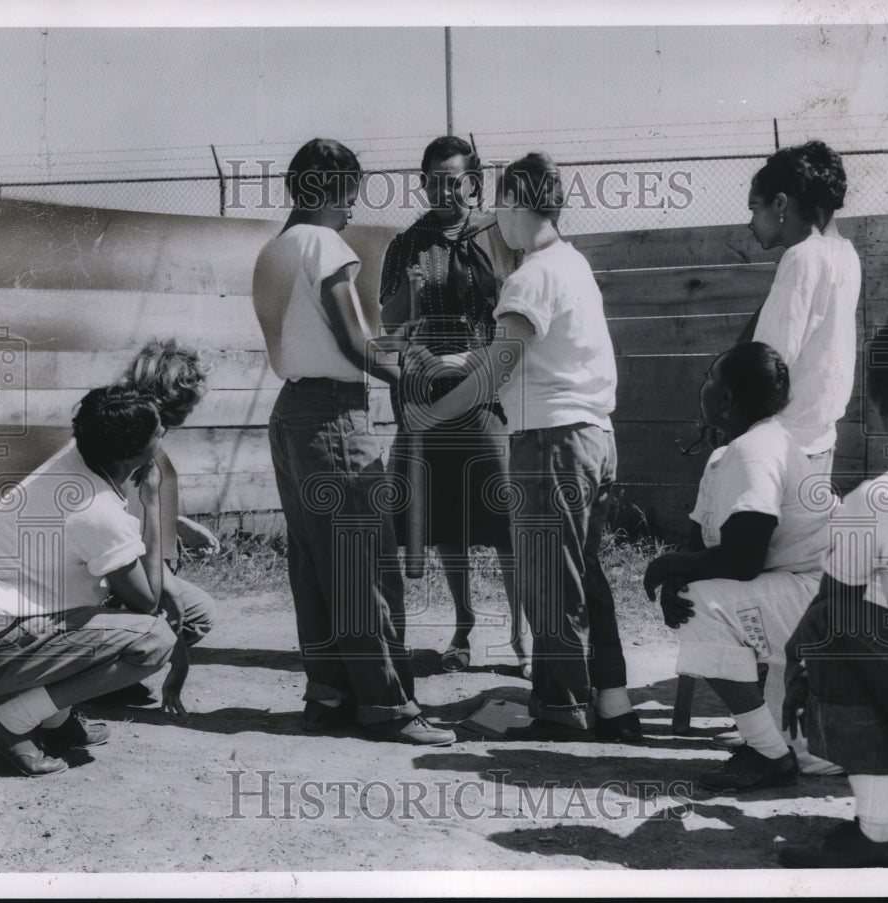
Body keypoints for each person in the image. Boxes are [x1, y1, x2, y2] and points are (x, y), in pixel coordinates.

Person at [404, 152, 640, 743]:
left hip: (552, 443)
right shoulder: (571, 264)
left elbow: (492, 377)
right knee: (583, 575)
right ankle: (612, 703)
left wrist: (430, 409)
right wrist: (453, 360)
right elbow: (515, 352)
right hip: (591, 437)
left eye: (498, 204)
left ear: (513, 203)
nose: (493, 217)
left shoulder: (529, 275)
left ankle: (561, 708)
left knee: (549, 582)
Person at [252, 137, 455, 745]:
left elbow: (328, 340)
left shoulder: (273, 250)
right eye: (350, 192)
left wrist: (397, 350)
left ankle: (329, 695)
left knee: (316, 566)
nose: (352, 207)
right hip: (336, 418)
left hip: (292, 416)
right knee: (366, 566)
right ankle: (389, 707)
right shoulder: (325, 244)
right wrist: (414, 376)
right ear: (334, 189)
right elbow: (351, 343)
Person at [643, 342, 838, 791]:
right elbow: (704, 543)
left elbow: (742, 560)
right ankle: (778, 748)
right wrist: (680, 572)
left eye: (709, 379)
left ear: (726, 399)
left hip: (827, 603)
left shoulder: (756, 451)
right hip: (801, 598)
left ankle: (767, 756)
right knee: (811, 753)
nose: (703, 387)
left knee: (700, 605)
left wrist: (669, 567)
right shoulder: (729, 454)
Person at [0, 386, 178, 776]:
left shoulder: (75, 459)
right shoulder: (96, 509)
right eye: (158, 430)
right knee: (154, 639)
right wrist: (151, 500)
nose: (164, 432)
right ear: (134, 452)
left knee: (153, 604)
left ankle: (55, 721)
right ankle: (10, 723)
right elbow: (147, 603)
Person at [379, 134, 531, 677]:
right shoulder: (405, 245)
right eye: (435, 180)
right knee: (444, 519)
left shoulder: (502, 237)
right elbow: (391, 329)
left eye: (456, 180)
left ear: (473, 181)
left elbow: (519, 315)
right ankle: (464, 627)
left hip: (488, 390)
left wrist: (482, 361)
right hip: (429, 395)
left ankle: (521, 634)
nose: (446, 190)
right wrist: (412, 307)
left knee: (506, 513)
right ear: (421, 183)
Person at [779, 309, 888, 868]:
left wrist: (795, 662)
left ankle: (884, 826)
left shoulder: (879, 500)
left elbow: (830, 610)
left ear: (882, 408)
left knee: (833, 628)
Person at [742, 140, 861, 477]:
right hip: (821, 439)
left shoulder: (802, 257)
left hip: (781, 445)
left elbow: (771, 360)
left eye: (754, 208)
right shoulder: (845, 254)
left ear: (781, 203)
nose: (751, 222)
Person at [113, 338, 216, 714]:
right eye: (190, 395)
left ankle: (114, 674)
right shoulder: (135, 437)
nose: (194, 405)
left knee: (193, 612)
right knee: (196, 614)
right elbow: (117, 516)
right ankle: (95, 679)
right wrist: (164, 585)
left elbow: (145, 499)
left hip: (144, 563)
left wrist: (179, 522)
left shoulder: (150, 431)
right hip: (125, 569)